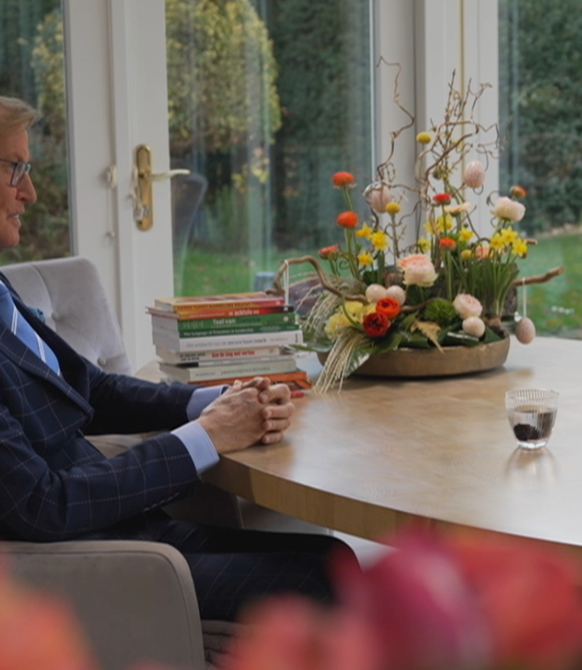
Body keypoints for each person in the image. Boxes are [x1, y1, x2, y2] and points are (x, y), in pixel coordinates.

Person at [0, 95, 351, 621]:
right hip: (92, 568)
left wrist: (221, 401)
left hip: (128, 532)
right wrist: (208, 436)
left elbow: (90, 389)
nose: (29, 191)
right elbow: (43, 505)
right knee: (321, 582)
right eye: (15, 169)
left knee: (336, 562)